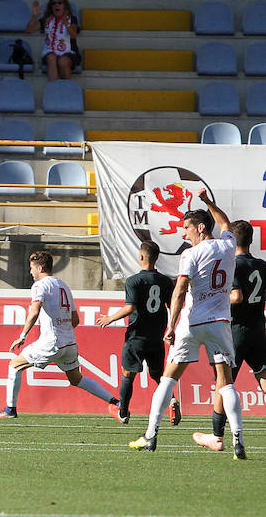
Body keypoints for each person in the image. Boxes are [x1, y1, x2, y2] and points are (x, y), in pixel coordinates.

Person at [129, 189, 246, 459]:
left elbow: (180, 289)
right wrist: (207, 202)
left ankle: (150, 435)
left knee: (169, 378)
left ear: (201, 228)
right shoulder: (228, 245)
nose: (183, 233)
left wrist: (170, 325)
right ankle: (238, 439)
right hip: (219, 322)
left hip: (192, 324)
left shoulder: (190, 255)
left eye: (186, 228)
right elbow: (226, 224)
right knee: (226, 382)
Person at [0, 251, 120, 419]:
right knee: (77, 379)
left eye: (32, 268)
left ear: (40, 268)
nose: (30, 272)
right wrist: (63, 330)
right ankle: (115, 401)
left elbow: (34, 311)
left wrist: (23, 335)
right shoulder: (63, 286)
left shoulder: (40, 286)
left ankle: (10, 410)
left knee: (14, 365)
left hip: (51, 343)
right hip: (68, 343)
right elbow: (75, 319)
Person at [192, 219, 266, 454]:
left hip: (236, 332)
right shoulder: (262, 265)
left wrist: (218, 299)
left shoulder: (233, 264)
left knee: (223, 383)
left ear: (233, 240)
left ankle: (217, 436)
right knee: (263, 375)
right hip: (258, 329)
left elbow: (236, 297)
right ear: (252, 240)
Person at [96, 241, 178, 426]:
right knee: (158, 376)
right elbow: (173, 306)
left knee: (128, 375)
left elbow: (130, 307)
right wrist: (171, 328)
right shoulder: (165, 281)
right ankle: (172, 401)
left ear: (141, 257)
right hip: (157, 337)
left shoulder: (134, 280)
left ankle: (123, 412)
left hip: (136, 337)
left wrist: (110, 318)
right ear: (156, 258)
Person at [25, 0, 80, 81]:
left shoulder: (72, 19)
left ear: (65, 6)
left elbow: (73, 35)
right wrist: (34, 17)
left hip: (69, 53)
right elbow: (29, 30)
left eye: (59, 3)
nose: (56, 5)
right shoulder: (46, 19)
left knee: (62, 61)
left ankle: (66, 90)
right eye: (53, 3)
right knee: (51, 58)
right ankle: (54, 90)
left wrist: (66, 23)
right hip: (50, 53)